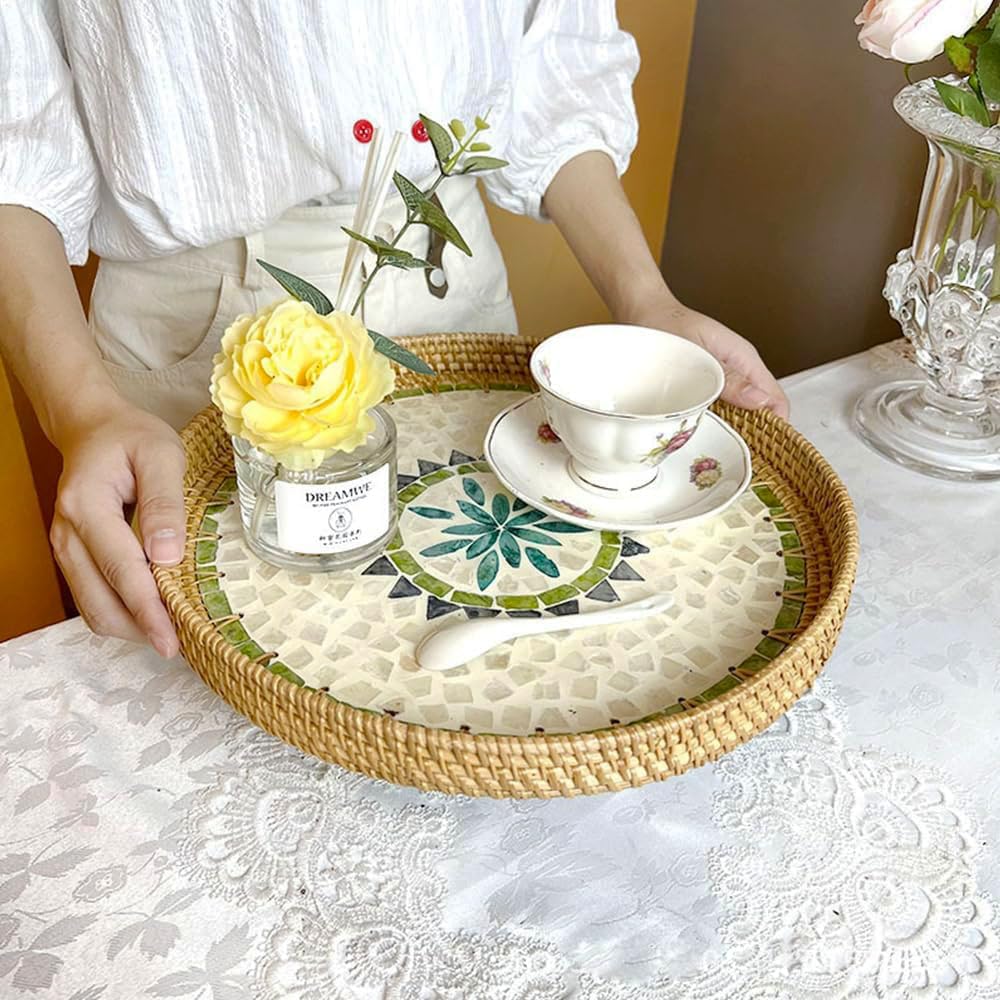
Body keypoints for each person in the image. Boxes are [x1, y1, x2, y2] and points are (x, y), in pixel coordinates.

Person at [0, 2, 787, 659]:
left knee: (499, 667)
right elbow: (12, 140)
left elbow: (556, 71)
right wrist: (83, 410)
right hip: (199, 344)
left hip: (454, 297)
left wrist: (647, 301)